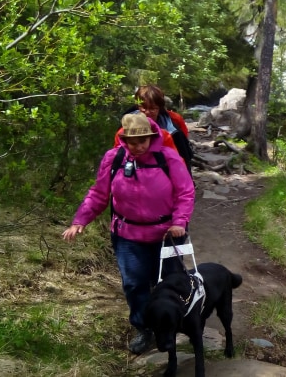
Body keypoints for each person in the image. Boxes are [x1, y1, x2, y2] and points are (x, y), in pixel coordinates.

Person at [63, 113, 195, 354]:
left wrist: (180, 221)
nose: (138, 146)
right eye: (132, 142)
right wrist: (80, 220)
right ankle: (144, 329)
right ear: (123, 139)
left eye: (143, 141)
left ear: (152, 137)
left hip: (167, 234)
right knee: (135, 285)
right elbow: (99, 193)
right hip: (127, 234)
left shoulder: (168, 158)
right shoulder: (114, 159)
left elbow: (185, 192)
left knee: (172, 282)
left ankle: (177, 323)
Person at [114, 85, 193, 167]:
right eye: (143, 107)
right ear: (137, 106)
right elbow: (117, 155)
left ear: (160, 107)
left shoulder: (174, 124)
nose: (147, 112)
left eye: (153, 108)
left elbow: (183, 152)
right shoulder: (125, 128)